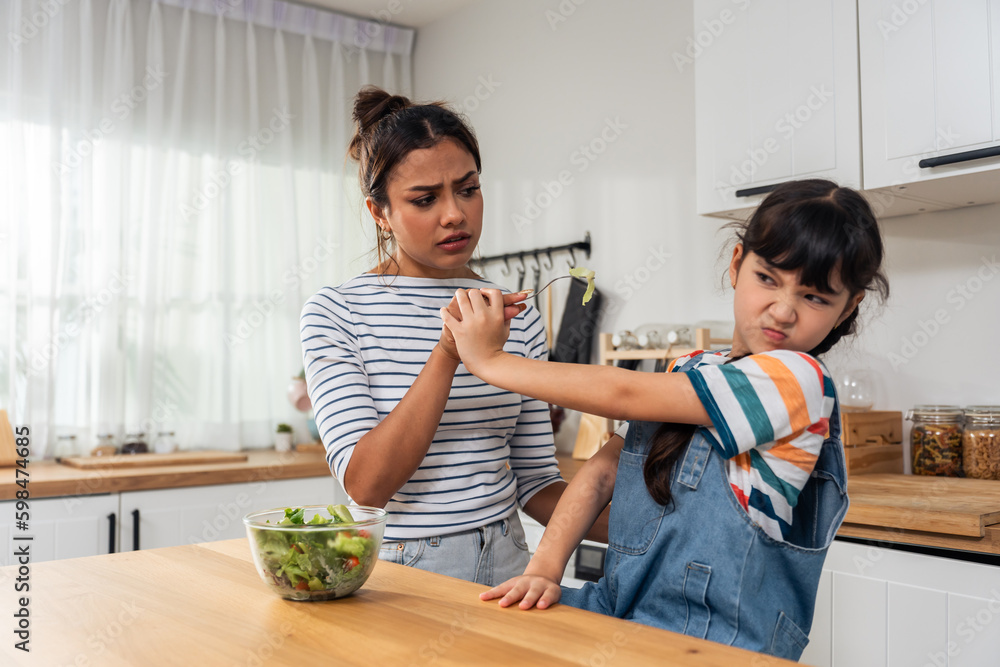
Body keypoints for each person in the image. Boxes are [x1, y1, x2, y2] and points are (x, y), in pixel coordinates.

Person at [440, 179, 889, 660]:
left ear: (849, 307)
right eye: (768, 278)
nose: (783, 310)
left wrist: (491, 362)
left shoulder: (797, 379)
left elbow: (624, 392)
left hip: (717, 645)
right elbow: (602, 472)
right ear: (737, 264)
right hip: (623, 613)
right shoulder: (691, 369)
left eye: (815, 297)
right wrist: (544, 569)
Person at [300, 86, 605, 586]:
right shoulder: (339, 311)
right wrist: (449, 351)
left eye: (468, 189)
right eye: (425, 199)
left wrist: (661, 526)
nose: (455, 214)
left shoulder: (514, 313)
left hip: (509, 558)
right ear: (380, 213)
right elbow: (367, 485)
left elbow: (535, 482)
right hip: (400, 568)